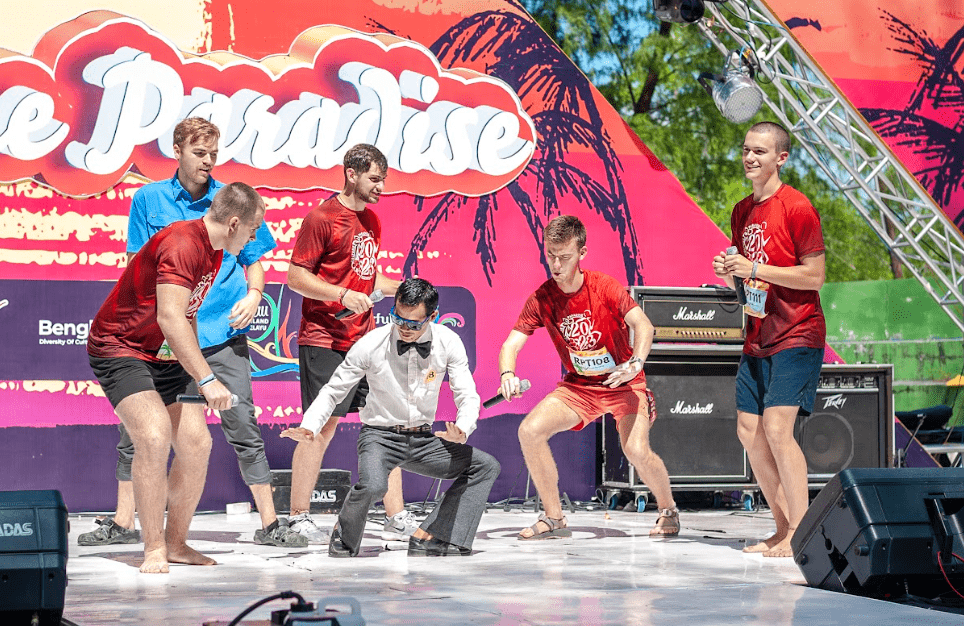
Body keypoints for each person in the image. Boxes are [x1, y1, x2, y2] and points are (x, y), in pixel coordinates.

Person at [78, 118, 305, 549]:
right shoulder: (159, 209)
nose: (208, 161)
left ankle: (263, 524)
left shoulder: (228, 206)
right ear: (178, 150)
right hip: (152, 339)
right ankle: (135, 530)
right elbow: (151, 287)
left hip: (215, 332)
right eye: (200, 153)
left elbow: (250, 259)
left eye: (214, 154)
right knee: (144, 432)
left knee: (228, 428)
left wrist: (255, 293)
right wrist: (198, 371)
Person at [86, 182, 266, 573]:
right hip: (121, 346)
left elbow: (188, 314)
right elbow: (169, 317)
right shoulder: (184, 243)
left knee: (197, 444)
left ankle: (176, 543)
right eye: (252, 230)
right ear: (234, 223)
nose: (253, 240)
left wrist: (194, 370)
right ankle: (153, 547)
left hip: (163, 352)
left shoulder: (215, 251)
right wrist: (207, 379)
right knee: (153, 435)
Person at [281, 278, 500, 557]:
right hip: (379, 437)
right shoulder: (371, 343)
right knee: (374, 486)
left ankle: (432, 535)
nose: (404, 329)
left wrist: (463, 427)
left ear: (433, 316)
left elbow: (467, 393)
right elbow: (333, 390)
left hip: (423, 440)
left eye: (414, 324)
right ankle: (344, 536)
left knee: (486, 466)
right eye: (399, 319)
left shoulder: (448, 341)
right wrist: (310, 425)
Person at [498, 215, 679, 539]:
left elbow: (644, 326)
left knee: (636, 450)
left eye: (564, 257)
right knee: (530, 431)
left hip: (623, 382)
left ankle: (668, 510)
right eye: (550, 255)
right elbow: (511, 344)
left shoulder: (604, 287)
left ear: (582, 253)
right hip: (580, 388)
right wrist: (507, 373)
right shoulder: (542, 298)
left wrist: (636, 362)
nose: (556, 265)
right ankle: (554, 517)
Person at [285, 143, 411, 545]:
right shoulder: (321, 218)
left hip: (366, 342)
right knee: (320, 426)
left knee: (387, 424)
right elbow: (296, 277)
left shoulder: (372, 220)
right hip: (324, 338)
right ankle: (298, 516)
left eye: (383, 180)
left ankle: (396, 516)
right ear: (351, 173)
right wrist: (341, 295)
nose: (381, 187)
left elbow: (366, 277)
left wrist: (404, 289)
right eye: (375, 179)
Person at [712, 121, 826, 558]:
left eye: (759, 151)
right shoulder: (742, 211)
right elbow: (745, 284)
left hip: (798, 331)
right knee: (748, 431)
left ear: (781, 158)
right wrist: (731, 271)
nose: (749, 157)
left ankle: (800, 530)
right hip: (758, 333)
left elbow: (814, 277)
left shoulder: (797, 206)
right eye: (746, 149)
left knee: (778, 429)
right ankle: (781, 529)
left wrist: (755, 269)